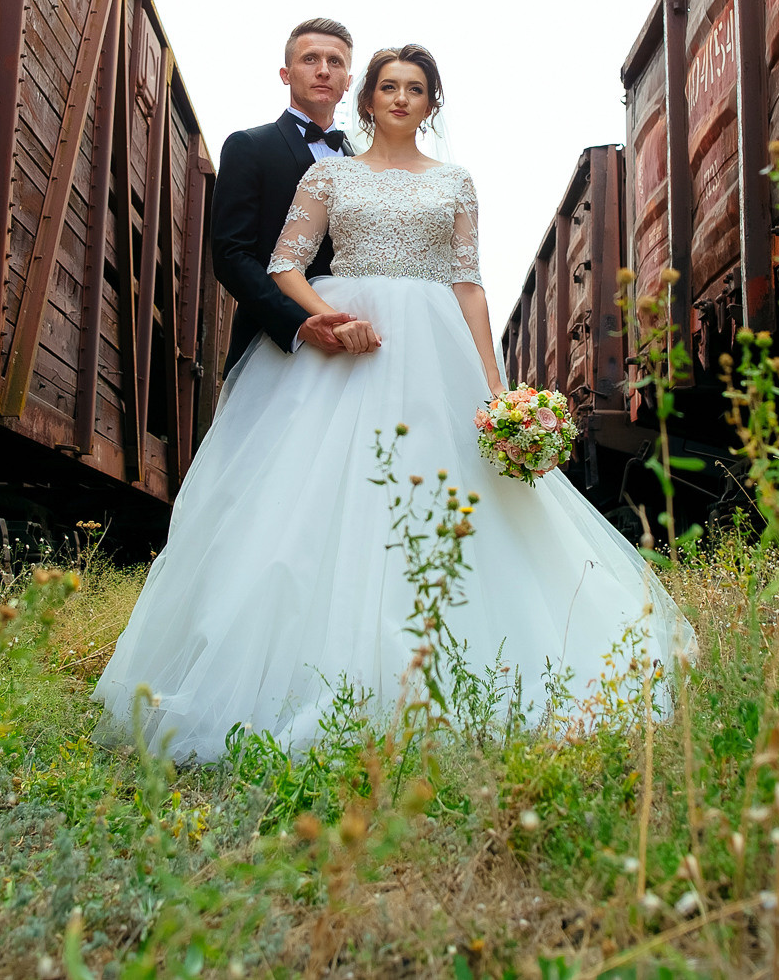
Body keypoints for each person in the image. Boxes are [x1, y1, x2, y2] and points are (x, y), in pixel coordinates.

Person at [94, 43, 693, 761]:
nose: (401, 98)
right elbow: (283, 261)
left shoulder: (456, 181)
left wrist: (493, 382)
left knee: (452, 495)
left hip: (433, 345)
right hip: (349, 345)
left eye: (416, 88)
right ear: (367, 99)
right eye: (388, 86)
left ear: (431, 102)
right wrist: (324, 317)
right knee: (321, 501)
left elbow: (469, 283)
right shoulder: (329, 174)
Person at [208, 18, 366, 373]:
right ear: (285, 73)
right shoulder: (249, 146)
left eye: (335, 62)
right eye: (310, 59)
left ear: (349, 82)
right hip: (274, 342)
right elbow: (231, 255)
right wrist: (297, 324)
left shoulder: (363, 164)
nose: (323, 71)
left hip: (354, 346)